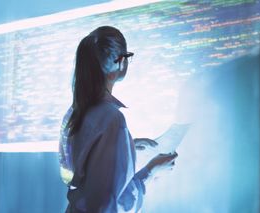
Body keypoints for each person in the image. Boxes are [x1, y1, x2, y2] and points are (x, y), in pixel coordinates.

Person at [59, 26, 177, 213]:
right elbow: (110, 206)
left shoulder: (74, 113)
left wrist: (127, 146)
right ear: (120, 63)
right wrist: (151, 171)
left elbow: (79, 169)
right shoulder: (112, 120)